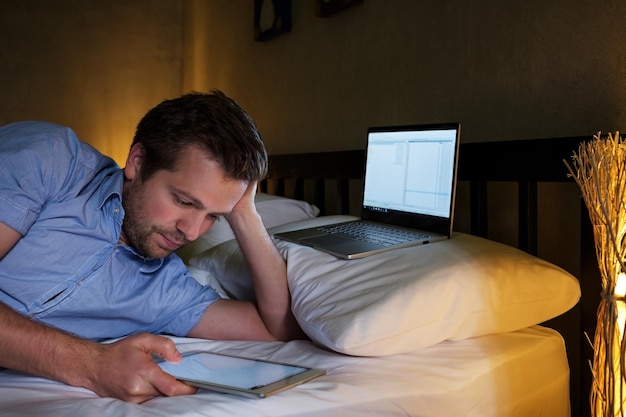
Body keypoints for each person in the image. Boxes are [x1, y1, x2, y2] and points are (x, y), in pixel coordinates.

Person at [0, 90, 306, 403]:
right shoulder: (50, 160)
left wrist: (244, 214)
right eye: (183, 201)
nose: (191, 232)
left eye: (213, 216)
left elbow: (277, 329)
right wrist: (92, 364)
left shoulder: (167, 290)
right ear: (137, 161)